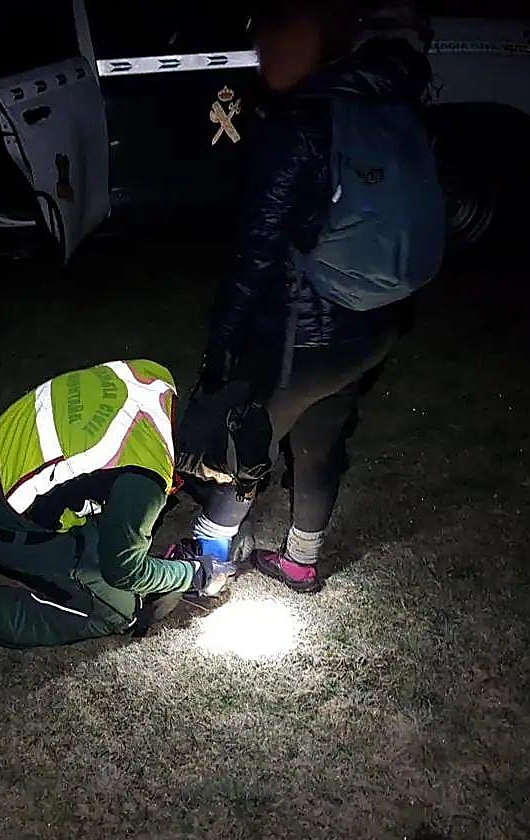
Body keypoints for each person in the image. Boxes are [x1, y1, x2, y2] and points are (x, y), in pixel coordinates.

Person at [192, 0, 440, 594]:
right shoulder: (395, 107)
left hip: (306, 331)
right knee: (322, 438)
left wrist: (220, 350)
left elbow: (257, 250)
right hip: (374, 325)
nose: (263, 55)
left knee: (243, 444)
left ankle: (209, 567)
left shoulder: (304, 122)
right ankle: (301, 561)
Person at [0, 359, 235, 683]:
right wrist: (194, 574)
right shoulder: (147, 479)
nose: (226, 486)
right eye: (229, 478)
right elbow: (123, 570)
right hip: (4, 528)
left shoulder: (155, 378)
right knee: (120, 610)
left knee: (112, 519)